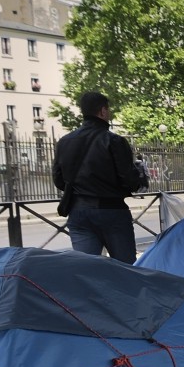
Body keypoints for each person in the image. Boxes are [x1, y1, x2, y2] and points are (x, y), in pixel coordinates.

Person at [52, 91, 148, 263]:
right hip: (112, 211)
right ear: (103, 111)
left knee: (89, 271)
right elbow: (130, 181)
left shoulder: (64, 142)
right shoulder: (114, 141)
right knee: (126, 270)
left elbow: (58, 180)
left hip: (78, 212)